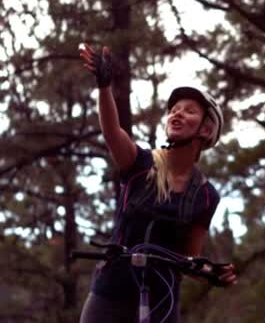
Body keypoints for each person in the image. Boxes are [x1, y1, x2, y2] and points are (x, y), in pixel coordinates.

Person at [78, 44, 236, 323]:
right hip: (108, 297)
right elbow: (112, 131)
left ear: (207, 130)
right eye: (174, 109)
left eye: (188, 111)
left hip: (161, 305)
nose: (176, 114)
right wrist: (104, 87)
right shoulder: (139, 164)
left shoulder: (206, 195)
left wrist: (211, 272)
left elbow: (189, 258)